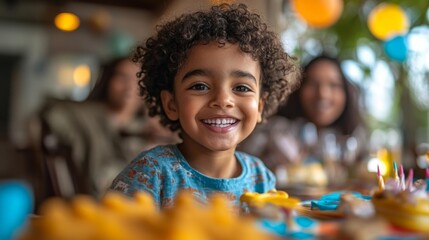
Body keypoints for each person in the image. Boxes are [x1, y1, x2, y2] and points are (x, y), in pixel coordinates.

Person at [109, 3, 300, 208]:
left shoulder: (261, 178)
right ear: (171, 104)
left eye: (242, 88)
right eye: (200, 86)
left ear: (260, 106)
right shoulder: (150, 173)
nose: (223, 99)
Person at [38, 57, 178, 199]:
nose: (130, 86)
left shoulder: (152, 125)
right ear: (107, 81)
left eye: (138, 79)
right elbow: (51, 115)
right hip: (103, 196)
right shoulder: (87, 117)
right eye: (122, 78)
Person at [239, 55, 368, 187]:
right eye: (313, 84)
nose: (323, 94)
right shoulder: (272, 132)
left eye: (333, 85)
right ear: (299, 89)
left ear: (345, 93)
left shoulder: (354, 139)